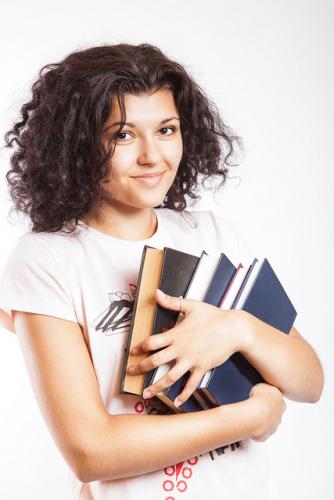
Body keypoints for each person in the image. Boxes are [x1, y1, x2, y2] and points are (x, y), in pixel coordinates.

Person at [0, 43, 324, 500]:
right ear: (75, 144)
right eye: (124, 135)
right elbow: (90, 450)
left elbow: (310, 380)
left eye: (167, 129)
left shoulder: (211, 235)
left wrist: (239, 330)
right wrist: (251, 418)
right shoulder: (46, 261)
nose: (153, 156)